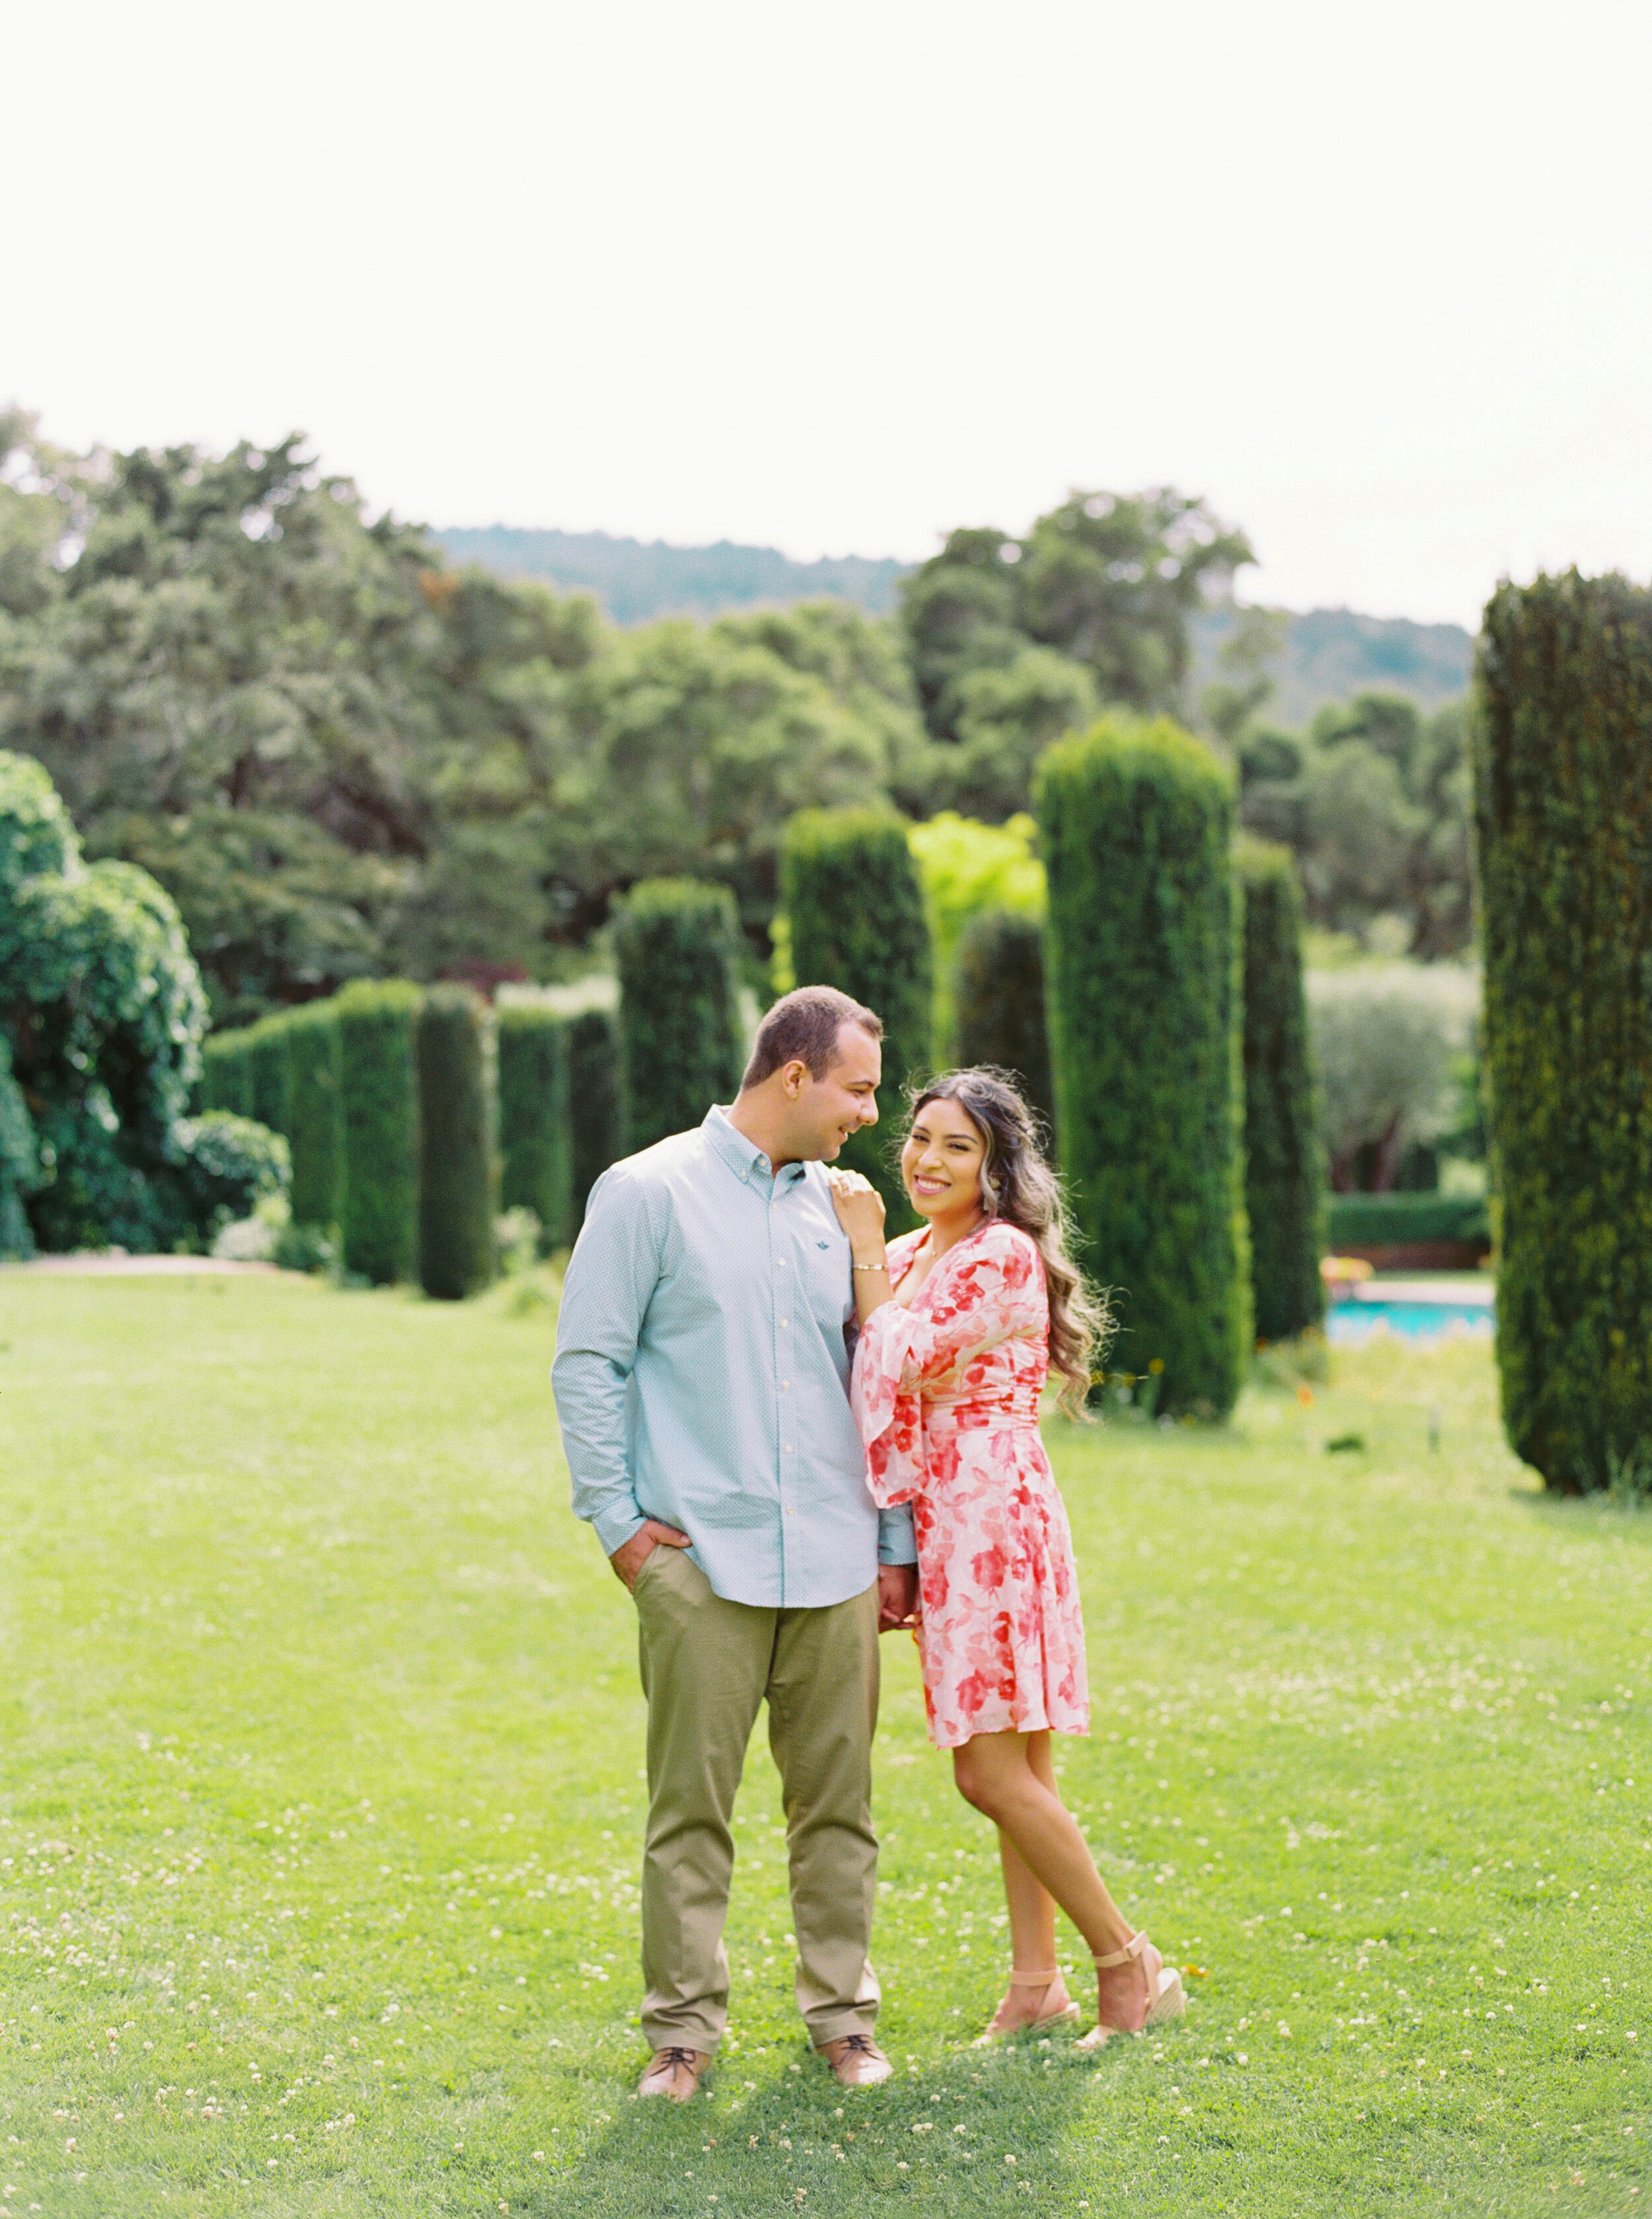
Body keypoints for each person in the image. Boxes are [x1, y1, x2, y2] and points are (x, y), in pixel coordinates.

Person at [551, 986, 920, 2103]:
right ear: (795, 1074)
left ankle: (843, 2021)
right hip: (698, 1564)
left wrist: (894, 1542)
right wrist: (620, 1528)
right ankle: (681, 2036)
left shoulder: (847, 1212)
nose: (871, 1114)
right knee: (689, 1812)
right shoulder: (647, 1190)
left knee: (839, 1811)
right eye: (859, 1089)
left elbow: (881, 1382)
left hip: (837, 1561)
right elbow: (589, 1362)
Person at [827, 1068, 1185, 2047]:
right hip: (941, 1514)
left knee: (987, 1770)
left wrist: (862, 1253)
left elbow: (896, 1358)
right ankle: (1038, 1983)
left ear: (994, 1167)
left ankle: (1128, 1960)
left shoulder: (998, 1256)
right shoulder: (906, 1252)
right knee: (1021, 1763)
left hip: (988, 1511)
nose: (928, 1159)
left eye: (957, 1146)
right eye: (920, 1137)